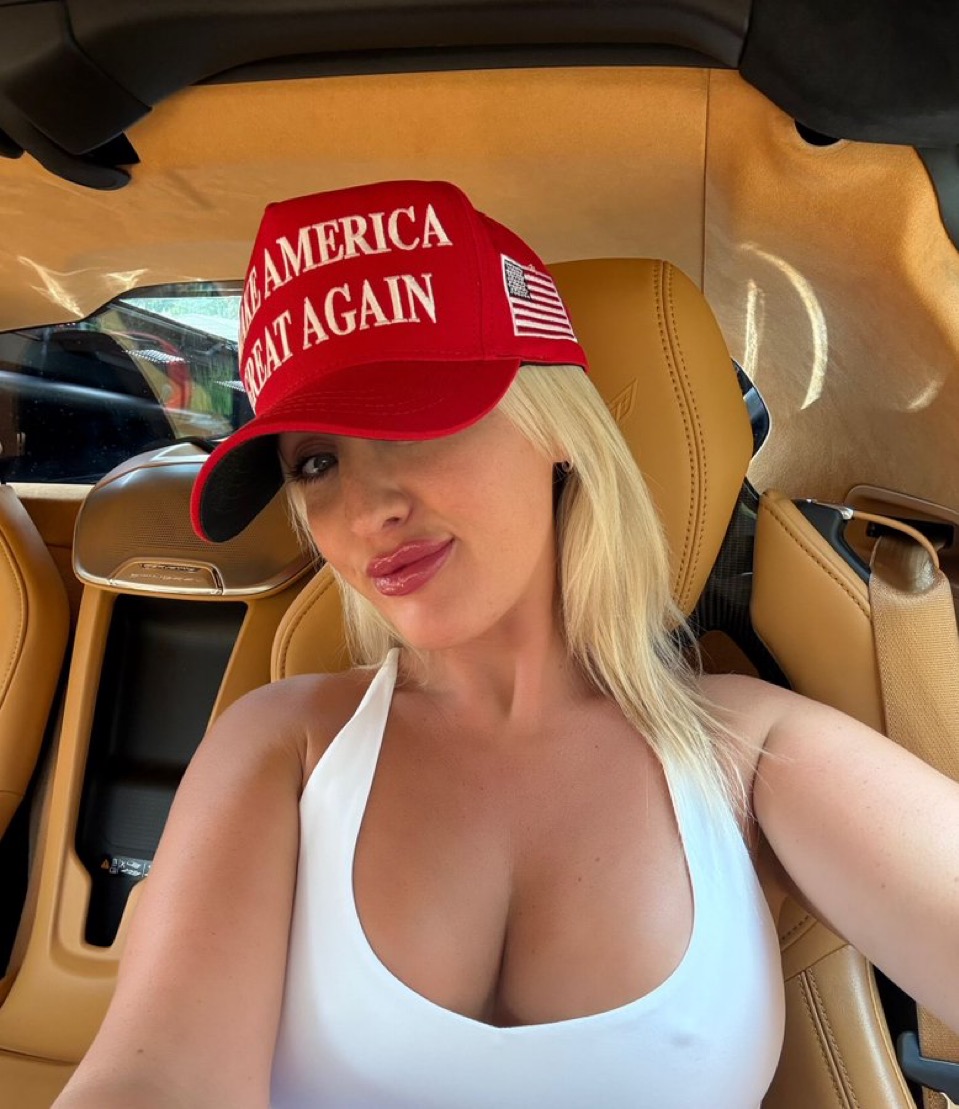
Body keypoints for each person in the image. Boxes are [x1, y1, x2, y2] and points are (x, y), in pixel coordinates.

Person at [55, 180, 959, 1108]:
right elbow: (154, 1076)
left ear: (555, 424)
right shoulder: (282, 745)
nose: (366, 511)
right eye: (316, 463)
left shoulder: (750, 754)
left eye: (415, 415)